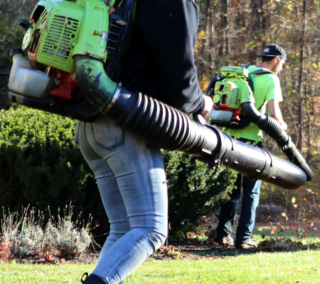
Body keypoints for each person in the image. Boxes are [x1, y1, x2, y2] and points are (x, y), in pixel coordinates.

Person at [79, 1, 213, 283]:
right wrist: (200, 103)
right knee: (151, 229)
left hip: (92, 125)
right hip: (127, 120)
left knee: (123, 228)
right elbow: (179, 76)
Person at [214, 44, 287, 249]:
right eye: (282, 64)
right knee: (251, 191)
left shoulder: (242, 74)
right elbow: (273, 111)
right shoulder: (271, 78)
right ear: (276, 60)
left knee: (232, 190)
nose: (281, 68)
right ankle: (243, 238)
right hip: (251, 140)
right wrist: (283, 127)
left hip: (228, 139)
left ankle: (222, 234)